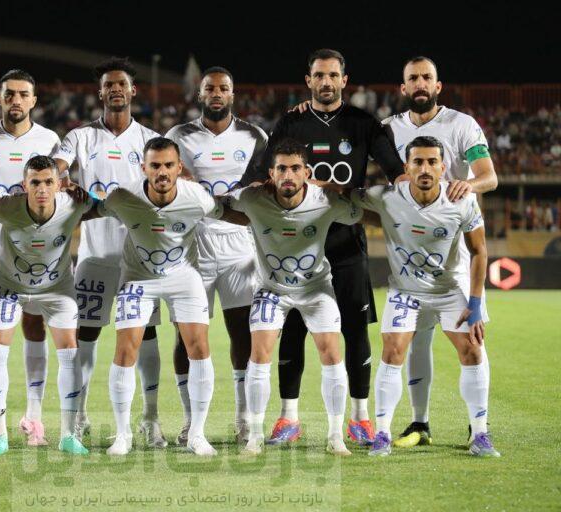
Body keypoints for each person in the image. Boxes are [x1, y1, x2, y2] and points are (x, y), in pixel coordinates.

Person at [242, 49, 405, 446]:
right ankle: (289, 418)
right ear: (309, 80)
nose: (326, 82)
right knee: (292, 330)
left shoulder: (364, 123)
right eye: (319, 75)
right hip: (297, 246)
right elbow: (260, 176)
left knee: (355, 330)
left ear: (344, 80)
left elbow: (397, 174)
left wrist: (356, 197)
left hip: (346, 244)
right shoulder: (292, 122)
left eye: (333, 75)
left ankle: (360, 418)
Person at [349, 136, 499, 457]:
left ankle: (480, 434)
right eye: (418, 162)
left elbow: (480, 251)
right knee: (393, 349)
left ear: (443, 168)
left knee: (473, 349)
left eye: (432, 162)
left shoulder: (462, 200)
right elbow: (344, 194)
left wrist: (475, 304)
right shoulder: (387, 197)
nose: (425, 168)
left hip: (448, 291)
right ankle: (382, 434)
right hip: (406, 292)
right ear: (407, 167)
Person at [382, 56, 498, 447]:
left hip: (455, 252)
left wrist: (469, 186)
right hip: (411, 252)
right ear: (403, 88)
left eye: (426, 78)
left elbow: (489, 177)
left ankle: (479, 428)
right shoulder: (388, 129)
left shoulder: (461, 124)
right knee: (415, 340)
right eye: (413, 78)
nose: (420, 83)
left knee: (472, 340)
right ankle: (419, 424)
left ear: (438, 85)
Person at [52, 57, 165, 447]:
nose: (116, 89)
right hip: (94, 256)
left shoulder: (149, 139)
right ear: (100, 92)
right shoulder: (81, 136)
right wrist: (64, 179)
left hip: (139, 260)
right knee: (86, 335)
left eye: (122, 84)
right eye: (108, 85)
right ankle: (79, 416)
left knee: (147, 335)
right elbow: (58, 164)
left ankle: (150, 418)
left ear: (133, 90)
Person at [223, 140, 360, 456]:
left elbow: (359, 210)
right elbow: (218, 205)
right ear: (271, 173)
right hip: (272, 290)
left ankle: (335, 436)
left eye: (295, 168)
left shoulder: (326, 200)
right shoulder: (252, 198)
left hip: (316, 290)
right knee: (259, 354)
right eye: (282, 168)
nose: (288, 175)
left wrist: (341, 188)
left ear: (307, 173)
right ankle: (255, 436)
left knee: (331, 353)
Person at [98, 137, 233, 456]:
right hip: (138, 277)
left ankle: (197, 434)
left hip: (183, 276)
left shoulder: (196, 198)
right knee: (125, 348)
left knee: (198, 346)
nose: (162, 172)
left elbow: (229, 212)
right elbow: (90, 209)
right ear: (143, 168)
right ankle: (123, 435)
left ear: (179, 167)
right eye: (155, 165)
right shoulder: (122, 197)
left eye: (169, 165)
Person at [165, 66, 267, 445]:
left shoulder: (255, 135)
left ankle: (243, 418)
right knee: (187, 336)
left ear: (233, 94)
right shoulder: (178, 136)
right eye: (210, 88)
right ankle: (190, 421)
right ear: (200, 93)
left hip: (240, 242)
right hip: (194, 245)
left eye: (224, 88)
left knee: (242, 332)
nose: (217, 94)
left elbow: (264, 181)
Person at [0, 69, 61, 447]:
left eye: (23, 94)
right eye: (9, 94)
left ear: (33, 100)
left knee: (35, 329)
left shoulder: (49, 140)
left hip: (35, 257)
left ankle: (33, 418)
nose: (16, 100)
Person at [0, 155, 96, 456]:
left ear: (59, 184)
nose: (42, 189)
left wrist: (90, 194)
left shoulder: (74, 203)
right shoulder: (5, 207)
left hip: (56, 289)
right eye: (35, 182)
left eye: (48, 182)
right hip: (10, 286)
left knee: (70, 352)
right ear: (24, 185)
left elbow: (110, 205)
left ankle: (68, 436)